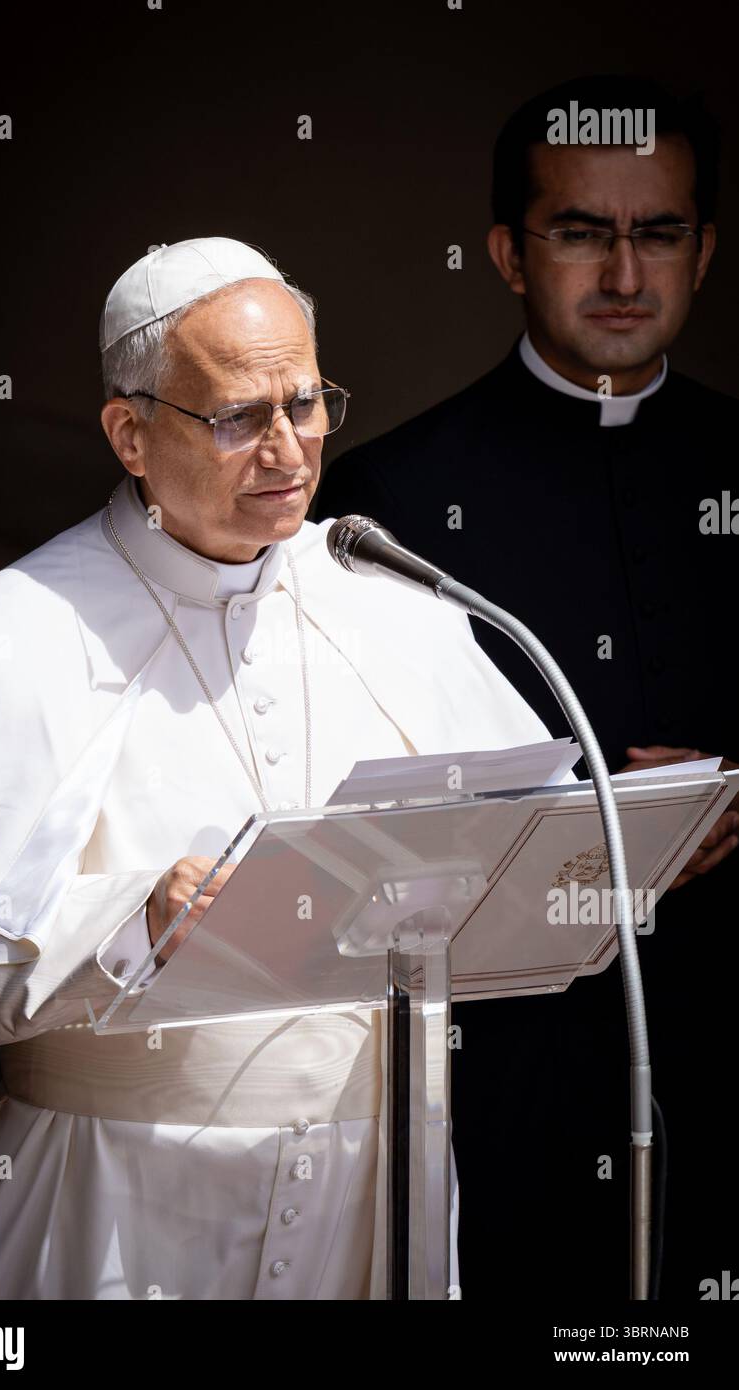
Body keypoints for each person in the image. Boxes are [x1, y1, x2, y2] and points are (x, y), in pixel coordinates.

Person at [0, 237, 562, 1301]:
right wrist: (135, 918)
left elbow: (530, 848)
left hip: (374, 1187)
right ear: (130, 433)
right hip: (117, 1195)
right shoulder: (9, 641)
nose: (286, 450)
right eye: (239, 416)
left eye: (306, 402)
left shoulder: (390, 602)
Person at [315, 77, 738, 1299]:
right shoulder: (386, 501)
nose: (620, 271)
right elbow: (340, 805)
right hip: (511, 1064)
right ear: (507, 252)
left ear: (701, 252)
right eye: (577, 230)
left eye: (655, 232)